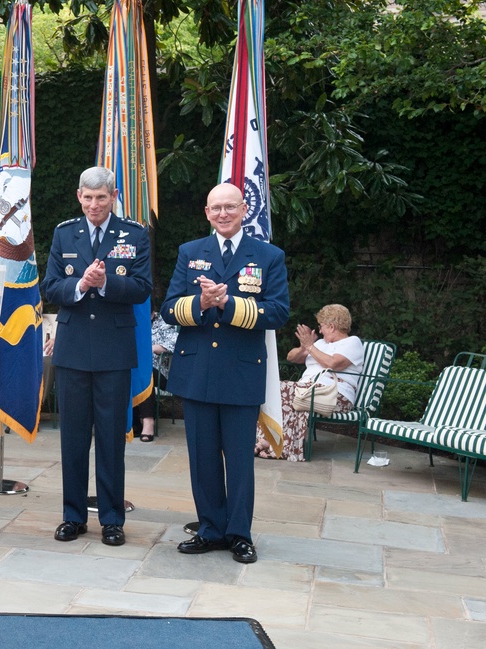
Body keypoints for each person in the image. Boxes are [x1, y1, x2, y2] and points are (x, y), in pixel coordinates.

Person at [160, 182, 289, 564]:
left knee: (239, 460)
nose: (223, 214)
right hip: (197, 369)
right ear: (206, 212)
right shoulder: (190, 252)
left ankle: (239, 534)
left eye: (230, 207)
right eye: (215, 208)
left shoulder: (268, 256)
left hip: (241, 372)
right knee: (202, 458)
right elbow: (168, 309)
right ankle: (210, 529)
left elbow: (278, 312)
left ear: (244, 209)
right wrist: (200, 302)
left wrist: (230, 303)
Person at [40, 166, 152, 547]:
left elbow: (141, 287)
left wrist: (106, 284)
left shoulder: (133, 234)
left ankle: (111, 519)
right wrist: (81, 284)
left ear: (113, 196)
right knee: (72, 439)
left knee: (109, 439)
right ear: (79, 196)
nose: (93, 205)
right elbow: (51, 285)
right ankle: (72, 516)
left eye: (100, 198)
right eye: (87, 198)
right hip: (72, 351)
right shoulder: (63, 232)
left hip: (113, 352)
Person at [255, 304, 364, 461]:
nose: (319, 331)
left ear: (332, 326)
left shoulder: (352, 343)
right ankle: (270, 442)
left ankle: (274, 444)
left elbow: (333, 363)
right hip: (307, 392)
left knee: (281, 389)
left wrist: (310, 347)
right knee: (285, 395)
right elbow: (291, 357)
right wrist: (303, 348)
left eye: (322, 326)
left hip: (335, 395)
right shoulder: (320, 344)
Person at [132, 311, 179, 442]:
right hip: (134, 370)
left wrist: (152, 348)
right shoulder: (131, 322)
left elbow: (176, 342)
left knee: (145, 373)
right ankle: (134, 423)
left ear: (152, 314)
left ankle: (148, 423)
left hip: (159, 371)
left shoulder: (163, 322)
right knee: (132, 373)